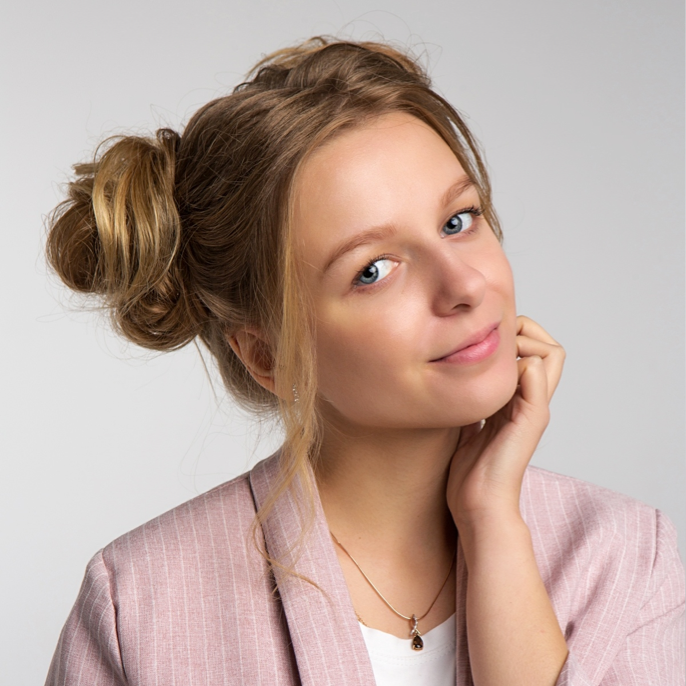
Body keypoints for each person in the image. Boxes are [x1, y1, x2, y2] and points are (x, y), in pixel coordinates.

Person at [44, 37, 684, 686]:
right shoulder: (139, 607)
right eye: (373, 270)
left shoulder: (628, 559)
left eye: (459, 221)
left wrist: (492, 520)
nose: (465, 285)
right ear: (269, 356)